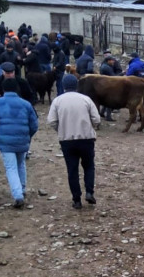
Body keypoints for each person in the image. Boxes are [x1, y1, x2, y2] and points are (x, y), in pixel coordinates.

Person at [47, 74, 101, 210]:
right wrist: (90, 127)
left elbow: (51, 121)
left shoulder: (58, 101)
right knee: (89, 166)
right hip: (86, 138)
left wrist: (61, 130)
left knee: (72, 170)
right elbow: (96, 119)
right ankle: (89, 192)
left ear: (64, 86)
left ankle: (76, 199)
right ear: (76, 85)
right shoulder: (86, 99)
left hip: (67, 140)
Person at [0, 78, 38, 208]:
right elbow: (34, 124)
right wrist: (27, 136)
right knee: (21, 164)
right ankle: (22, 188)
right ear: (17, 89)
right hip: (22, 140)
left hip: (5, 141)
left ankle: (18, 195)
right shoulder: (26, 104)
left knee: (11, 168)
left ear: (3, 89)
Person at [99, 55, 121, 121]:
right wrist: (122, 74)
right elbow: (113, 77)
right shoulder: (107, 68)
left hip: (104, 85)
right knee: (109, 100)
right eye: (112, 60)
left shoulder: (104, 66)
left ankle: (102, 113)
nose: (113, 61)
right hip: (108, 86)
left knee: (106, 100)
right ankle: (108, 117)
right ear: (108, 61)